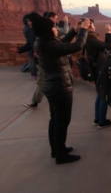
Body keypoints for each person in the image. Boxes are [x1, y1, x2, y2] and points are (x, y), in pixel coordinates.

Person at [28, 12, 90, 165]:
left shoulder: (42, 42)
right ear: (48, 31)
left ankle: (56, 149)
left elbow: (62, 44)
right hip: (60, 87)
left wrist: (74, 30)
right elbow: (77, 46)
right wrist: (84, 30)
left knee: (55, 119)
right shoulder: (48, 44)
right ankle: (61, 156)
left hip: (52, 85)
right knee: (62, 121)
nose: (56, 28)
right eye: (54, 27)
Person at [84, 19, 111, 128]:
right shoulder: (91, 40)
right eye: (92, 24)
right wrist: (108, 32)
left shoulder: (88, 38)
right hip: (100, 70)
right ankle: (102, 121)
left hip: (96, 70)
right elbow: (109, 46)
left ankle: (98, 118)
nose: (94, 26)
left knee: (99, 94)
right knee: (104, 95)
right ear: (88, 27)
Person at [10, 16, 43, 109]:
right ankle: (36, 101)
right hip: (41, 62)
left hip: (46, 60)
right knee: (43, 81)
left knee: (45, 81)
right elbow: (29, 44)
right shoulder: (31, 31)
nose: (28, 23)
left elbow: (47, 42)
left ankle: (36, 101)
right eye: (27, 21)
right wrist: (20, 49)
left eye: (30, 21)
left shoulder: (41, 31)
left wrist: (39, 50)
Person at [22, 14, 38, 80]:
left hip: (29, 48)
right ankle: (34, 75)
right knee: (33, 62)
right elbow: (32, 40)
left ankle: (33, 75)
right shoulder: (28, 29)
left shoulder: (25, 27)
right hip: (31, 48)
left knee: (31, 62)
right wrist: (34, 50)